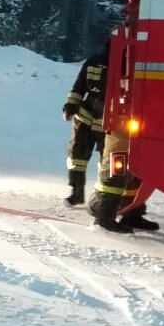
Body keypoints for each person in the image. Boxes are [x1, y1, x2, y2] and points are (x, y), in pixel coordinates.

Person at [87, 126, 160, 233]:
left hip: (143, 125)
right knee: (116, 168)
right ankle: (104, 217)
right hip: (121, 124)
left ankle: (131, 215)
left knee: (138, 170)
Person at [62, 44, 108, 206]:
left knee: (107, 161)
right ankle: (77, 192)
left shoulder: (125, 66)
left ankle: (104, 200)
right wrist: (70, 106)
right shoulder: (93, 62)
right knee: (77, 156)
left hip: (109, 122)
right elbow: (79, 87)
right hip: (85, 117)